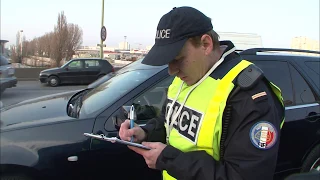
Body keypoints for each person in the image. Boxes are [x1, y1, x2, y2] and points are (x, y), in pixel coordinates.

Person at [119, 6, 285, 180]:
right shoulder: (184, 78)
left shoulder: (248, 95)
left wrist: (169, 160)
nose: (171, 71)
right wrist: (145, 132)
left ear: (206, 44)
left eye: (177, 60)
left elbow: (244, 176)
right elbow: (171, 123)